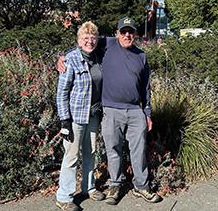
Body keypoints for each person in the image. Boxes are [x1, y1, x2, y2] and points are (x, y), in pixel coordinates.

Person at [58, 16, 162, 205]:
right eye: (123, 31)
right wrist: (62, 56)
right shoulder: (109, 45)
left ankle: (142, 187)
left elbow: (146, 87)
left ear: (135, 34)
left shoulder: (141, 56)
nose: (127, 35)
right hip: (110, 110)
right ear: (117, 33)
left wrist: (147, 112)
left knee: (137, 150)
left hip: (134, 111)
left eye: (130, 32)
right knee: (112, 150)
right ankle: (115, 185)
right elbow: (85, 42)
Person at [55, 21, 106, 211]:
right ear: (79, 40)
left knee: (90, 153)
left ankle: (89, 187)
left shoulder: (99, 57)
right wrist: (64, 120)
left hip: (93, 114)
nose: (90, 41)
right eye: (86, 38)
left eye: (93, 37)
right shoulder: (70, 60)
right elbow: (62, 93)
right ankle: (64, 197)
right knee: (71, 157)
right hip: (75, 117)